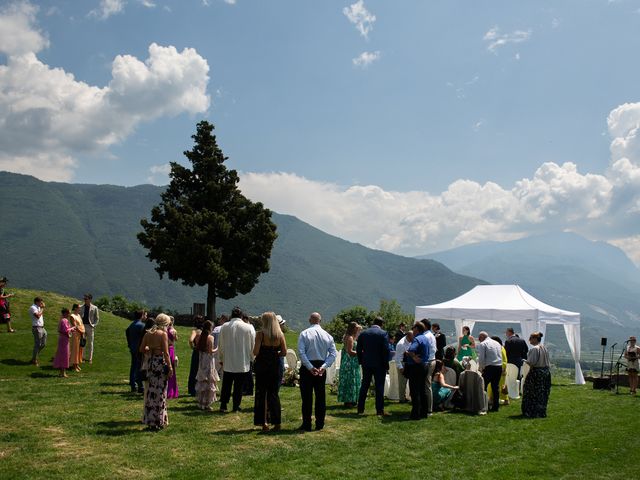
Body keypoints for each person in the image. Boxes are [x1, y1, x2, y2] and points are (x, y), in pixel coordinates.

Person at [297, 312, 337, 431]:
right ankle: (320, 423)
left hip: (307, 367)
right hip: (321, 366)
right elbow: (333, 354)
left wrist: (309, 367)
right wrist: (324, 366)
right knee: (320, 396)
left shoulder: (304, 334)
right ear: (320, 321)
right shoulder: (328, 336)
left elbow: (301, 352)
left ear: (310, 320)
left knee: (306, 397)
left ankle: (307, 424)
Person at [253, 312, 287, 432]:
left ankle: (264, 422)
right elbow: (284, 352)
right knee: (274, 394)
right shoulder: (280, 335)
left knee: (262, 394)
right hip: (275, 365)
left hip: (262, 365)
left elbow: (256, 352)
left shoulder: (260, 335)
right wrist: (275, 353)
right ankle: (277, 422)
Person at [139, 313, 173, 430]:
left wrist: (150, 349)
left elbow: (141, 349)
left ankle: (150, 419)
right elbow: (166, 352)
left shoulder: (149, 333)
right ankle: (159, 420)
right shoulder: (163, 334)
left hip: (151, 363)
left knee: (151, 391)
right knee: (160, 391)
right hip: (160, 362)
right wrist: (170, 367)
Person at [218, 307, 256, 413]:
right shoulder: (248, 328)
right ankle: (236, 406)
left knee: (226, 384)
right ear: (241, 315)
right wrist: (252, 357)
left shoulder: (224, 327)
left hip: (228, 361)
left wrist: (221, 358)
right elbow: (252, 345)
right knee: (238, 386)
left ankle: (223, 404)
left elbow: (220, 345)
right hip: (242, 361)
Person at [356, 317, 392, 416]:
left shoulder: (364, 333)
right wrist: (386, 363)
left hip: (366, 363)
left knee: (364, 385)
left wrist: (361, 361)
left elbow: (359, 349)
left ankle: (360, 409)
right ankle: (379, 410)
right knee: (379, 387)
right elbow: (386, 350)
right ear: (382, 324)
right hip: (380, 364)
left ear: (373, 323)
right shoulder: (383, 333)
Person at [521, 331, 551, 418]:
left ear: (534, 339)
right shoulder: (544, 348)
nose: (529, 340)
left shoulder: (534, 349)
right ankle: (541, 411)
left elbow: (532, 362)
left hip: (536, 373)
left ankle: (530, 411)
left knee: (531, 392)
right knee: (542, 393)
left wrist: (524, 360)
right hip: (546, 372)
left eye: (531, 338)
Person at [404, 322, 430, 420]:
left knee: (415, 391)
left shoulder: (417, 338)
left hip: (416, 367)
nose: (412, 330)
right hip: (425, 365)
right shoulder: (425, 338)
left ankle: (415, 414)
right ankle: (424, 412)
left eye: (413, 328)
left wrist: (413, 357)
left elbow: (411, 350)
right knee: (422, 390)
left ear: (417, 329)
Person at [195, 320, 219, 410]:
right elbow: (210, 351)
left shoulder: (199, 336)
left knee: (202, 380)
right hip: (208, 360)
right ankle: (207, 403)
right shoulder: (210, 338)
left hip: (201, 360)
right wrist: (217, 348)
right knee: (209, 380)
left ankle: (201, 402)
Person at [476, 331, 503, 412]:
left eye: (479, 338)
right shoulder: (497, 343)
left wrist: (481, 368)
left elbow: (481, 358)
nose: (479, 339)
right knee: (495, 387)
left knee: (483, 386)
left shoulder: (483, 344)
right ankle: (496, 406)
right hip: (499, 366)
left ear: (481, 337)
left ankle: (483, 404)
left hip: (489, 367)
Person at [337, 322, 361, 407]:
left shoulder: (347, 336)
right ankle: (350, 400)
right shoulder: (350, 338)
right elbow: (350, 352)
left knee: (348, 380)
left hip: (347, 361)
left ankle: (350, 400)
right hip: (350, 362)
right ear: (354, 329)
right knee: (351, 380)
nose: (358, 330)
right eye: (357, 328)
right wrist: (361, 353)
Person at [126, 310, 147, 393]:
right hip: (139, 349)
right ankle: (140, 386)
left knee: (133, 366)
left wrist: (129, 343)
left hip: (133, 348)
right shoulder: (141, 325)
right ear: (141, 315)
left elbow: (127, 332)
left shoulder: (132, 325)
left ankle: (132, 384)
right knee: (139, 367)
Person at [53, 308, 76, 377]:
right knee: (64, 355)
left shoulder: (62, 320)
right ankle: (63, 372)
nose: (69, 314)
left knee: (63, 354)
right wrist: (72, 328)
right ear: (65, 313)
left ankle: (62, 372)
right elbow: (65, 330)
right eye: (68, 313)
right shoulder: (64, 320)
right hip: (64, 340)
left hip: (63, 339)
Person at [421, 318, 437, 416]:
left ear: (425, 326)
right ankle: (426, 407)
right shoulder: (430, 335)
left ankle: (428, 409)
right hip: (431, 360)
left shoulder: (426, 336)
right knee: (426, 384)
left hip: (428, 361)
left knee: (427, 385)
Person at [394, 330, 414, 403]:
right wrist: (401, 367)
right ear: (408, 336)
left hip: (408, 363)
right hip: (402, 363)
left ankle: (406, 397)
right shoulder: (401, 344)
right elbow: (397, 358)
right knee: (402, 383)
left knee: (408, 381)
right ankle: (402, 399)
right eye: (413, 336)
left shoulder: (411, 341)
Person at [188, 315, 204, 396]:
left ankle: (192, 389)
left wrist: (193, 347)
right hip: (202, 352)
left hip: (196, 352)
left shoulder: (195, 331)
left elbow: (191, 340)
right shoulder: (204, 331)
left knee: (194, 370)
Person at [81, 293, 99, 364]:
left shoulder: (94, 308)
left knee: (90, 343)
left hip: (90, 326)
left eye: (86, 299)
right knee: (83, 342)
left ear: (90, 299)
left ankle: (90, 358)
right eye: (84, 299)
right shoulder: (81, 307)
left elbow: (97, 318)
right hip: (82, 326)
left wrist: (93, 325)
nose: (84, 300)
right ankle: (83, 357)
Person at [29, 297, 47, 366]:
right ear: (37, 302)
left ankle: (34, 357)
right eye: (41, 302)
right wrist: (42, 308)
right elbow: (38, 316)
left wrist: (41, 308)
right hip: (36, 328)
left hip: (42, 327)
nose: (42, 304)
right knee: (37, 344)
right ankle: (34, 360)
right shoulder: (33, 307)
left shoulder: (38, 307)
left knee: (43, 344)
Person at [69, 303, 85, 372]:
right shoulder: (72, 316)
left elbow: (81, 324)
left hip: (80, 334)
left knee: (79, 349)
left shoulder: (78, 315)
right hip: (75, 334)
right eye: (79, 307)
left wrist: (82, 332)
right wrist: (81, 331)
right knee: (75, 350)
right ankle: (73, 365)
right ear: (75, 308)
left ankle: (77, 363)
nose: (80, 308)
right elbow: (75, 325)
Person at [167, 317, 179, 399]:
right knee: (172, 369)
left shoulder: (164, 330)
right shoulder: (173, 331)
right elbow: (176, 339)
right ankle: (172, 390)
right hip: (171, 349)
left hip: (165, 349)